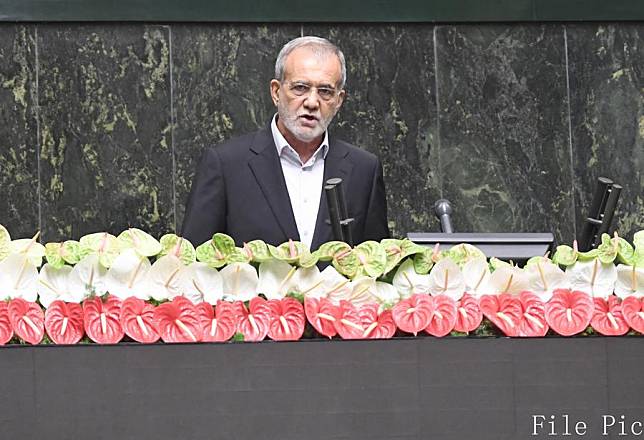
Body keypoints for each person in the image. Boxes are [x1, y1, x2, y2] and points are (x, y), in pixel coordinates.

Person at [182, 36, 389, 250]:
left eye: (325, 91)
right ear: (276, 92)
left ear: (339, 100)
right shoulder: (226, 165)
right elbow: (195, 261)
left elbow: (377, 265)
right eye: (300, 87)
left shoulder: (365, 169)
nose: (311, 102)